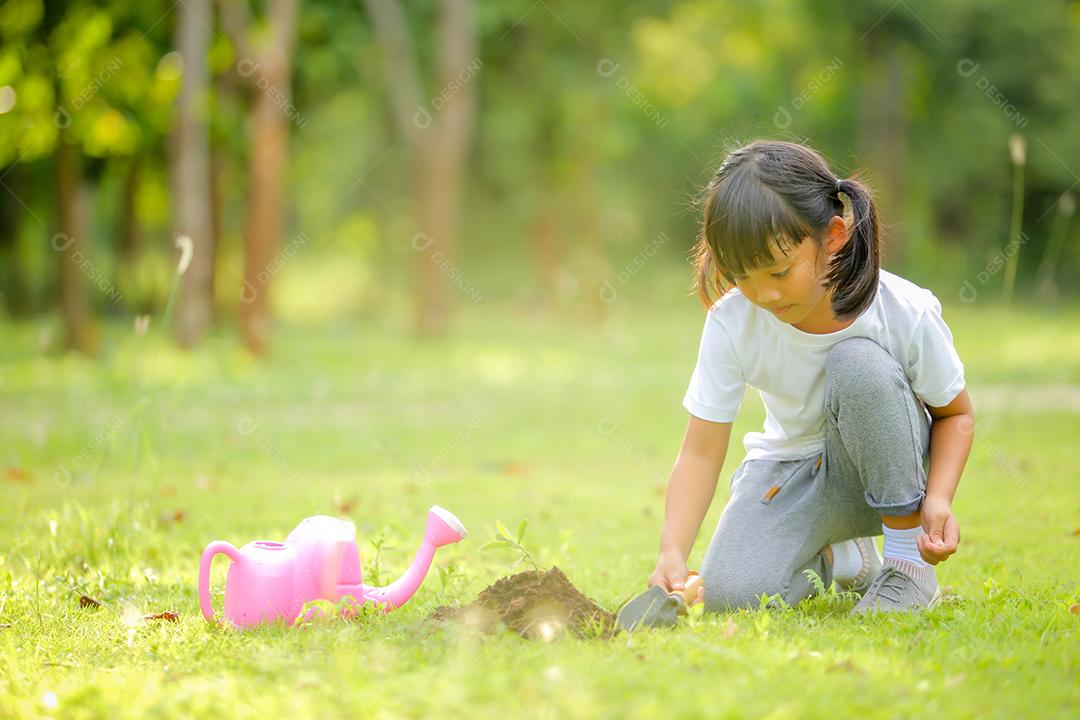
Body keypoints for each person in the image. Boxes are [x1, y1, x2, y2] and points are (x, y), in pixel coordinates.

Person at [649, 140, 974, 613]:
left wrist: (939, 499)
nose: (763, 294)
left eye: (778, 271)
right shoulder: (731, 321)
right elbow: (701, 448)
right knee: (733, 597)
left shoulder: (902, 310)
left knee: (857, 364)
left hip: (892, 476)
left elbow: (956, 415)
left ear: (834, 236)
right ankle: (842, 559)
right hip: (794, 475)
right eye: (742, 276)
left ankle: (906, 570)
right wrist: (673, 550)